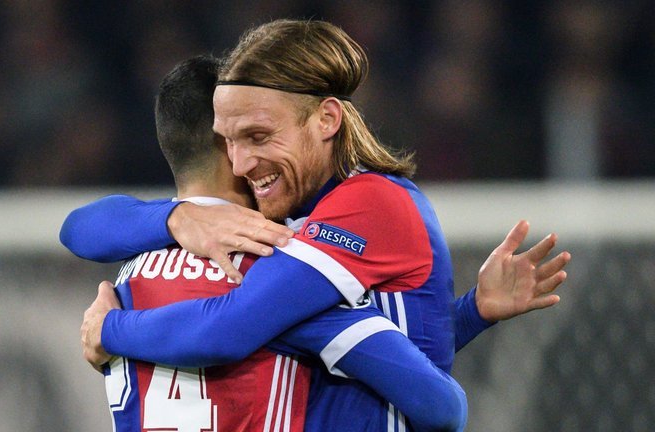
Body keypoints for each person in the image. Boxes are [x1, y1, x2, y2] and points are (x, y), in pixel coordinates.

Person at [65, 19, 570, 431]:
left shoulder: (366, 205)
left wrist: (110, 328)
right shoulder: (267, 245)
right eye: (231, 142)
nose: (241, 163)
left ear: (327, 120)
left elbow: (233, 326)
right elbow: (419, 384)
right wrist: (175, 217)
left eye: (259, 136)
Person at [83, 54, 468, 432]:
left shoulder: (128, 272)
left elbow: (76, 227)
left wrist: (107, 328)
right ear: (227, 144)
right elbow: (438, 402)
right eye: (251, 136)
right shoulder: (274, 268)